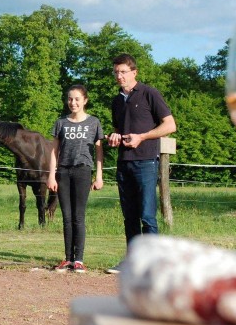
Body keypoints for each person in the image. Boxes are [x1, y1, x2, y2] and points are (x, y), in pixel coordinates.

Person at [106, 53, 176, 274]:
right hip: (123, 162)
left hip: (145, 161)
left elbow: (170, 125)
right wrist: (115, 137)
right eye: (116, 72)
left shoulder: (149, 93)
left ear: (134, 72)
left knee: (147, 215)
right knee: (130, 217)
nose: (119, 76)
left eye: (123, 72)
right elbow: (119, 129)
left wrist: (142, 137)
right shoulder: (116, 101)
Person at [47, 85, 104, 273]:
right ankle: (68, 259)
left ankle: (79, 260)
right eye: (70, 99)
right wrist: (51, 175)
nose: (73, 102)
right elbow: (54, 151)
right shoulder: (61, 123)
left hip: (83, 171)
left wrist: (99, 176)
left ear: (85, 100)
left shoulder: (94, 122)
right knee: (67, 217)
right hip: (63, 172)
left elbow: (99, 150)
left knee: (78, 217)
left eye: (77, 99)